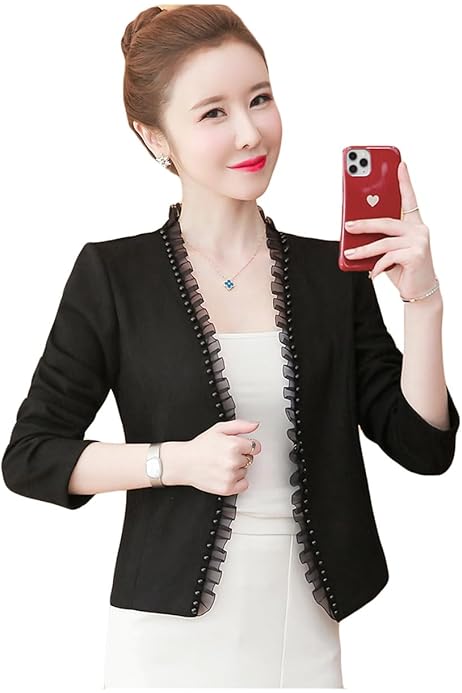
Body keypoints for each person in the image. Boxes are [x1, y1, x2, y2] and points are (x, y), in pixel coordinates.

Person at [1, 3, 459, 689]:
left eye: (260, 98)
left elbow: (424, 448)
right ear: (154, 135)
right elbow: (31, 456)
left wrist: (423, 302)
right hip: (166, 642)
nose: (251, 131)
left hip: (302, 631)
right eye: (213, 112)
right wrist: (174, 461)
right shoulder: (113, 276)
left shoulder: (331, 275)